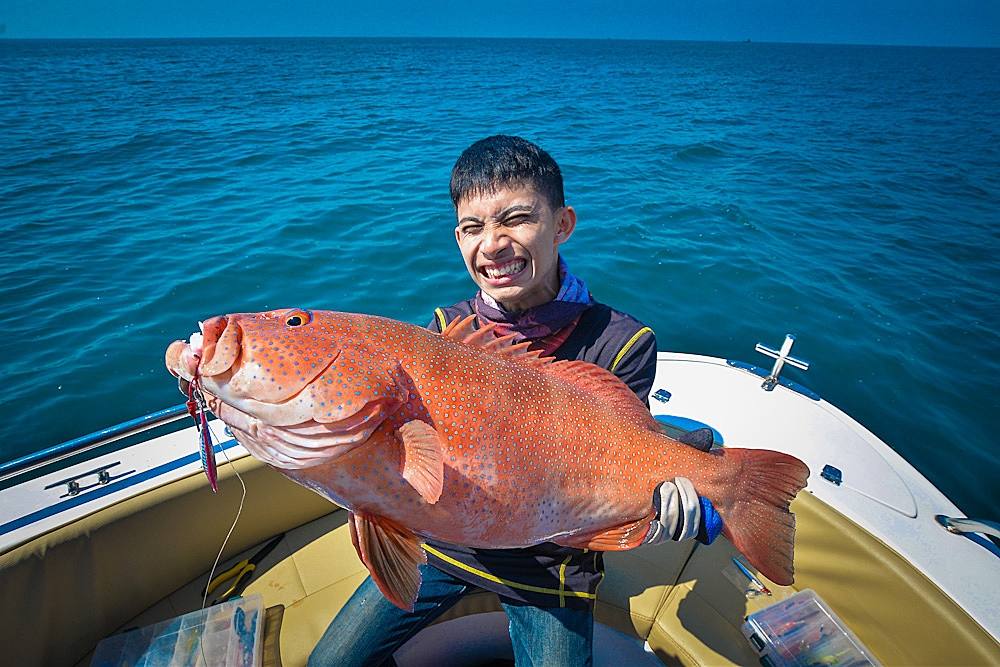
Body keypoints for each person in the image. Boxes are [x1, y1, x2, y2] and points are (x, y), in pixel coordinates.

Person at [308, 135, 721, 667]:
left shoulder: (622, 343)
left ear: (562, 224)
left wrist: (663, 505)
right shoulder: (443, 330)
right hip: (443, 544)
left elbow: (621, 454)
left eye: (516, 219)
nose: (493, 244)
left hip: (552, 566)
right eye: (471, 228)